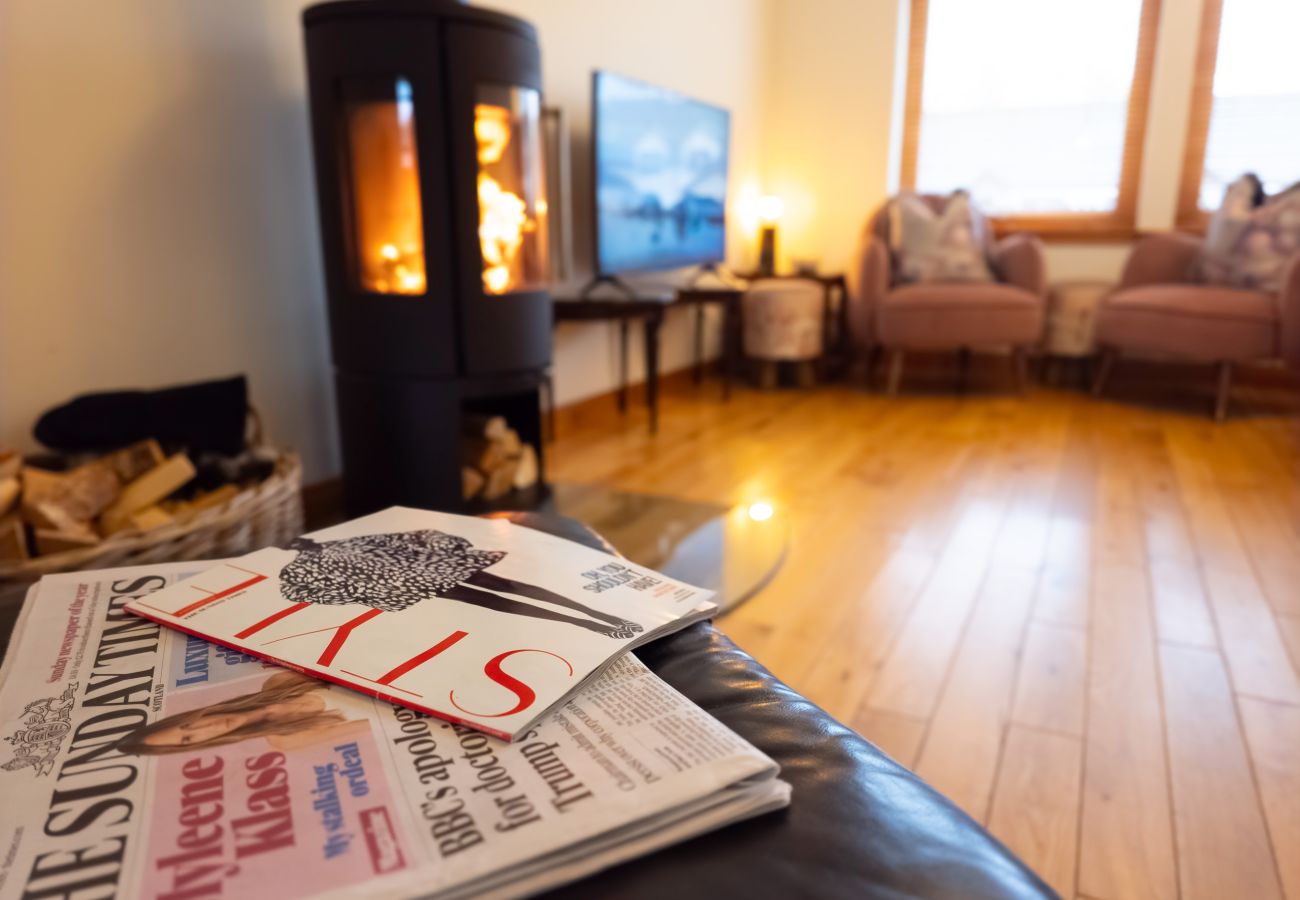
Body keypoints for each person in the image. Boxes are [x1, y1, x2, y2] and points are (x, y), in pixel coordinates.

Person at [277, 530, 643, 638]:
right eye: (293, 543)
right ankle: (588, 623)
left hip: (442, 567)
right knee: (503, 603)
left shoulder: (345, 543)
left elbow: (414, 536)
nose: (299, 543)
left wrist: (453, 545)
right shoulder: (304, 568)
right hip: (423, 583)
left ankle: (598, 615)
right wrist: (370, 594)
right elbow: (297, 592)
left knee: (514, 590)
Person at [115, 670, 367, 755]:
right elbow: (372, 728)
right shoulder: (286, 739)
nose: (207, 729)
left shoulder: (277, 684)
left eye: (188, 726)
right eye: (188, 739)